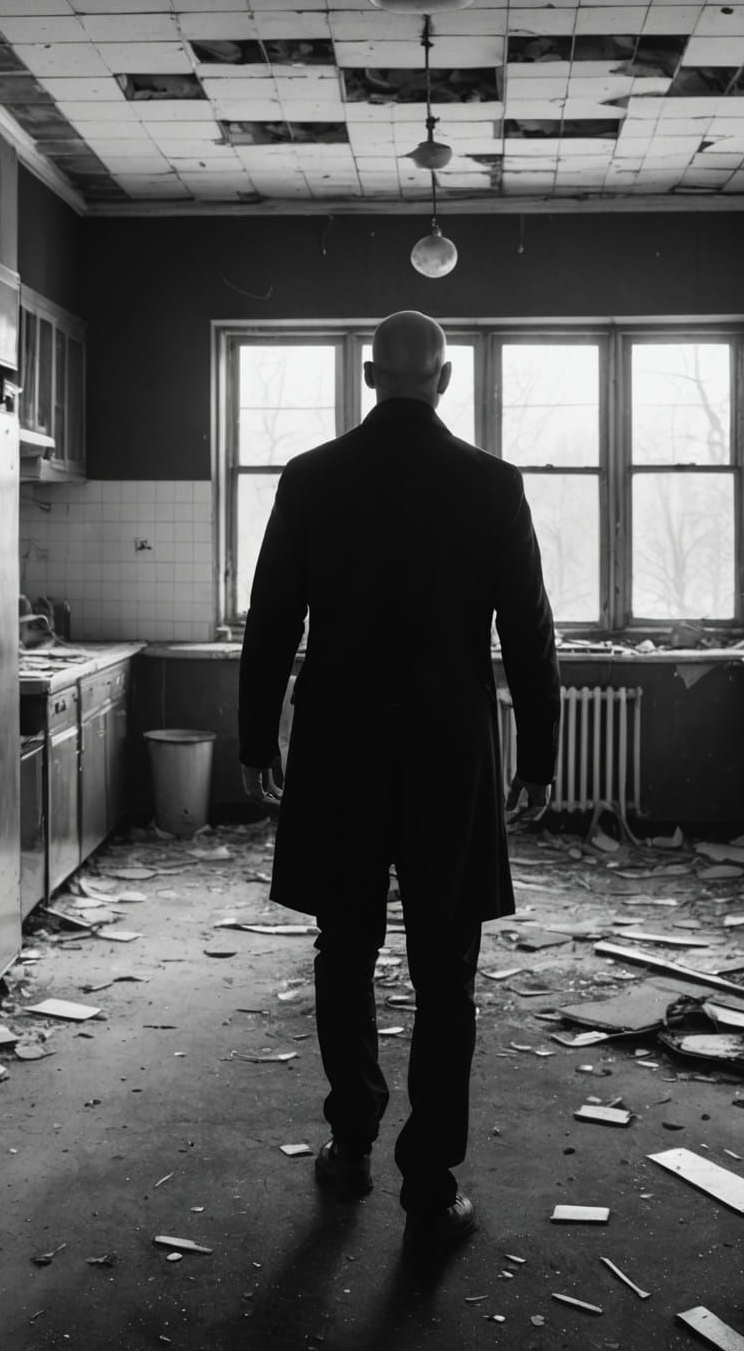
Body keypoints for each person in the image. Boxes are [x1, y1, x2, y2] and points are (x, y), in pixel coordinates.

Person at [237, 309, 560, 1260]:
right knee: (445, 969)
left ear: (371, 374)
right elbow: (528, 634)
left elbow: (271, 621)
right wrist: (538, 754)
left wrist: (258, 735)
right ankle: (431, 1185)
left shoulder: (312, 478)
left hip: (339, 744)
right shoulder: (491, 484)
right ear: (446, 380)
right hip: (447, 749)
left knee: (344, 947)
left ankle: (349, 1143)